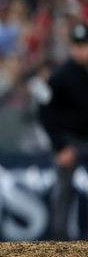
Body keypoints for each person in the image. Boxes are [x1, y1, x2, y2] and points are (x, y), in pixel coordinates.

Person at [38, 22, 88, 240]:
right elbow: (45, 113)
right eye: (77, 45)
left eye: (84, 44)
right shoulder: (60, 76)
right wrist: (60, 146)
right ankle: (59, 243)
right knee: (63, 191)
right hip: (70, 141)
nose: (81, 49)